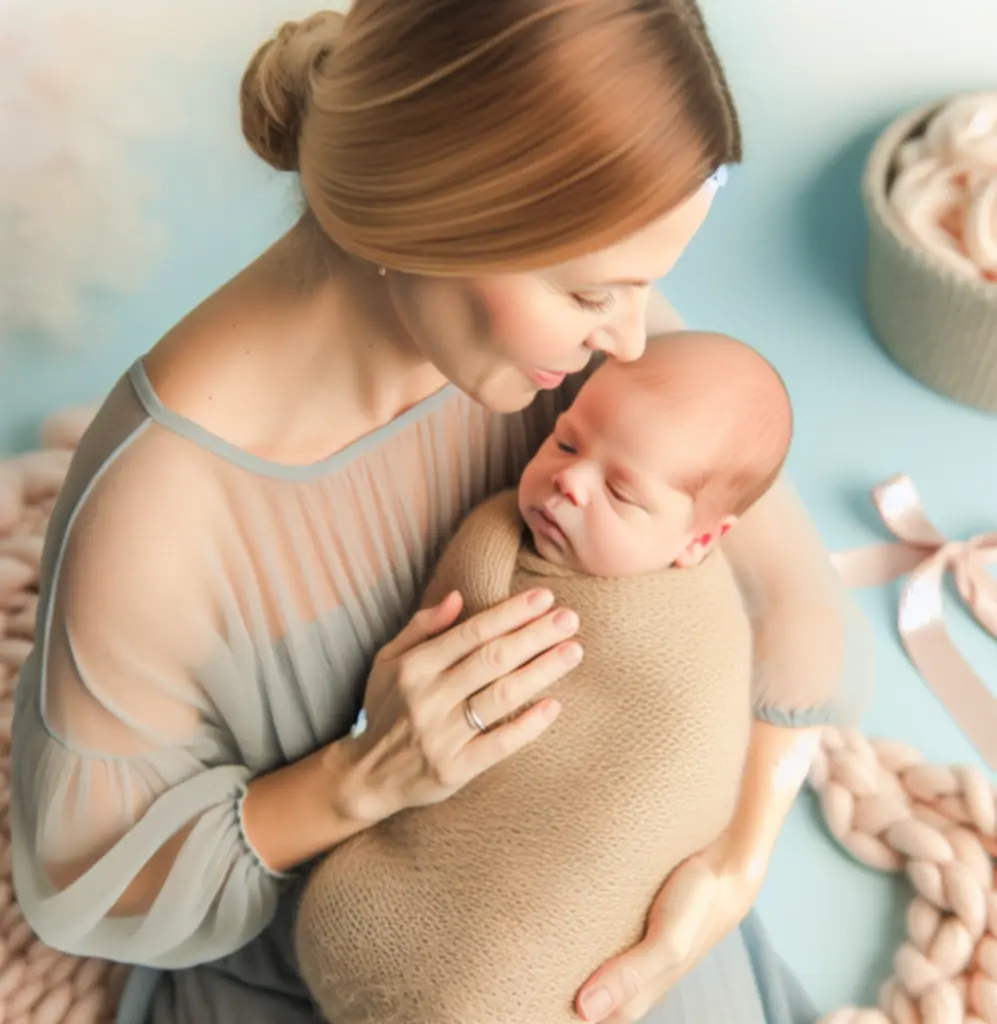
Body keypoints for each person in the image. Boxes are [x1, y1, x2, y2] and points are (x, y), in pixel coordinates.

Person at [9, 4, 872, 1024]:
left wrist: (728, 870)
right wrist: (360, 776)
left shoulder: (586, 359)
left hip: (601, 894)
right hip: (355, 963)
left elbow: (795, 607)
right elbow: (86, 880)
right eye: (601, 290)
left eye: (648, 286)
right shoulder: (159, 513)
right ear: (439, 220)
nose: (634, 338)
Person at [295, 330, 797, 1024]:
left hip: (537, 951)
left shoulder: (705, 635)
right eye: (566, 442)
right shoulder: (498, 541)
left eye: (621, 492)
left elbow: (687, 765)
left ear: (700, 541)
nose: (570, 480)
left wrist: (736, 865)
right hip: (428, 897)